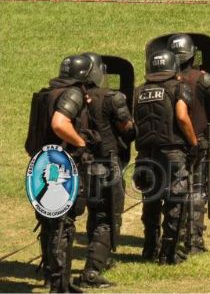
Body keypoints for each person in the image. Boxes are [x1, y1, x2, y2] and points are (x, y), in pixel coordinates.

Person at [30, 55, 99, 292]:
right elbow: (60, 123)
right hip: (62, 167)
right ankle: (61, 286)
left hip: (41, 164)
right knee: (63, 225)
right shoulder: (73, 94)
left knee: (49, 225)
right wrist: (80, 143)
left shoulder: (48, 93)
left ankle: (52, 278)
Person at [71, 53, 134, 288]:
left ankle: (96, 258)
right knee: (107, 219)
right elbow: (128, 130)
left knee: (93, 216)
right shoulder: (112, 98)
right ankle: (92, 271)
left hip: (80, 166)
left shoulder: (73, 98)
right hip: (106, 166)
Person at [133, 50, 198, 264]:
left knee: (150, 200)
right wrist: (193, 142)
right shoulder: (179, 88)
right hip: (172, 153)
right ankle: (170, 254)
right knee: (175, 202)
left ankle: (150, 248)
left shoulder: (138, 92)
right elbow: (181, 116)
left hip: (145, 154)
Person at [167, 34, 210, 253]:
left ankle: (170, 237)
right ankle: (193, 240)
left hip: (170, 144)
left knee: (170, 189)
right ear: (192, 56)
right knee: (196, 190)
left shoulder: (164, 82)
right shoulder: (204, 80)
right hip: (197, 142)